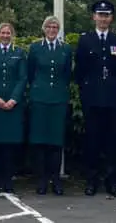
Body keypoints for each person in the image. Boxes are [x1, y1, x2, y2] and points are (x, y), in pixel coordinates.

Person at [74, 0, 116, 197]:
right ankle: (91, 181)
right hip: (92, 97)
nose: (103, 18)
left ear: (111, 18)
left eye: (106, 15)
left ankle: (112, 182)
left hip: (112, 98)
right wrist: (85, 92)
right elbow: (79, 70)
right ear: (94, 17)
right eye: (100, 15)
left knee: (113, 142)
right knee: (92, 142)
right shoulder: (85, 40)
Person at [27, 15, 72, 196]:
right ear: (44, 29)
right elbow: (31, 73)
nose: (52, 30)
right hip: (40, 98)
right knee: (40, 141)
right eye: (49, 27)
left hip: (58, 99)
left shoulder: (65, 49)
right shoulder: (36, 48)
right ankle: (42, 179)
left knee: (56, 141)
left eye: (55, 27)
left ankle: (56, 179)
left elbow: (67, 73)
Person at [0, 22, 27, 194]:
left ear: (12, 35)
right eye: (3, 32)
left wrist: (14, 99)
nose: (5, 35)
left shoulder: (19, 53)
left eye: (8, 33)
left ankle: (8, 180)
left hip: (12, 106)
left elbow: (22, 78)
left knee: (10, 146)